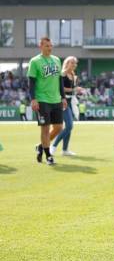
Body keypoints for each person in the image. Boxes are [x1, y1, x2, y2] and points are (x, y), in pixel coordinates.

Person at [28, 36, 66, 166]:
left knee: (59, 127)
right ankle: (48, 155)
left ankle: (41, 146)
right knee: (45, 129)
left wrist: (63, 97)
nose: (49, 48)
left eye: (51, 46)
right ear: (41, 46)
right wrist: (33, 99)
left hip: (56, 99)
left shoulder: (56, 60)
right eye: (47, 46)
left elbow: (60, 81)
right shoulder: (35, 61)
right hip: (42, 99)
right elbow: (31, 83)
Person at [51, 56, 79, 156]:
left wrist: (77, 90)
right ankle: (53, 146)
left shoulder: (73, 75)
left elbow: (72, 89)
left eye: (75, 63)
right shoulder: (62, 74)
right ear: (67, 63)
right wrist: (74, 90)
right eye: (72, 63)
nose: (74, 65)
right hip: (63, 101)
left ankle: (65, 150)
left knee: (69, 126)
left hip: (70, 101)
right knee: (70, 125)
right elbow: (60, 88)